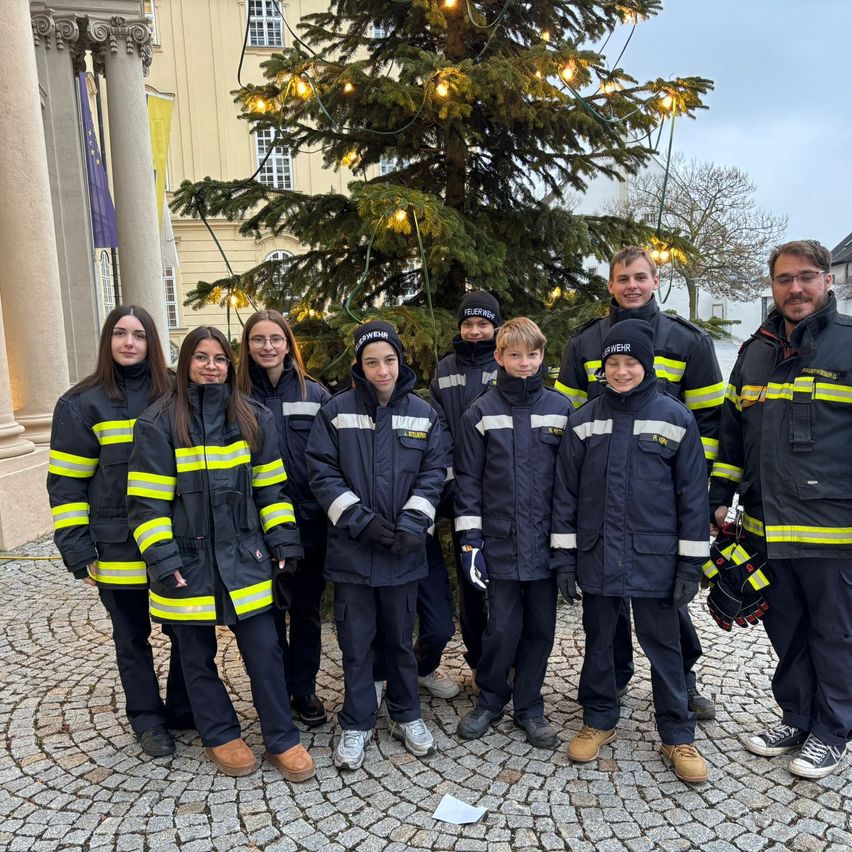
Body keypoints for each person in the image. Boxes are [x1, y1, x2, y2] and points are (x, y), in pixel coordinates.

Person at [126, 326, 315, 782]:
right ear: (186, 362)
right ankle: (220, 734)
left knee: (265, 651)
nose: (211, 366)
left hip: (244, 557)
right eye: (202, 357)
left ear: (231, 366)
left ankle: (281, 738)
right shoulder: (157, 424)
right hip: (186, 563)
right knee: (195, 656)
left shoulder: (251, 418)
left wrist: (283, 540)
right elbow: (146, 504)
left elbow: (271, 489)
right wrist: (164, 560)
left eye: (220, 359)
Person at [555, 246, 722, 720]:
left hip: (661, 501)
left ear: (655, 281)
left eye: (641, 277)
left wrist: (694, 495)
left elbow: (709, 422)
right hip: (603, 498)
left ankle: (681, 683)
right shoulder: (584, 344)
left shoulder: (688, 341)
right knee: (606, 610)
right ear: (610, 284)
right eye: (622, 277)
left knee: (667, 601)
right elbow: (566, 419)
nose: (632, 285)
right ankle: (616, 681)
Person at [710, 239, 852, 779]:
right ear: (772, 286)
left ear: (828, 280)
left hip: (835, 530)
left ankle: (832, 731)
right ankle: (797, 716)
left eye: (807, 277)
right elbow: (731, 439)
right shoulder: (755, 353)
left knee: (835, 632)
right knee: (786, 628)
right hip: (769, 527)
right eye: (785, 279)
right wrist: (719, 500)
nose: (796, 288)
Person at [552, 319, 710, 783]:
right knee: (599, 642)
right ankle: (598, 719)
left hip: (655, 558)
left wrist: (690, 564)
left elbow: (693, 497)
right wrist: (564, 557)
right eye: (613, 364)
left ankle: (677, 735)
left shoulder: (675, 417)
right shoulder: (583, 421)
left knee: (664, 647)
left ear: (646, 365)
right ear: (602, 369)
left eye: (630, 363)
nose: (621, 372)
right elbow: (565, 495)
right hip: (598, 554)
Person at [47, 305, 192, 758]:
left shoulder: (175, 392)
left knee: (185, 628)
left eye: (139, 335)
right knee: (130, 635)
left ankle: (185, 709)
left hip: (173, 537)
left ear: (151, 341)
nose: (129, 342)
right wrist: (77, 547)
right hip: (115, 544)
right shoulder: (80, 403)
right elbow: (66, 482)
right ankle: (148, 720)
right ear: (108, 341)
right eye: (120, 333)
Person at [306, 320, 445, 770]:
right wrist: (359, 522)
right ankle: (357, 721)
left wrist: (413, 523)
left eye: (388, 360)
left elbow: (433, 473)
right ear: (359, 366)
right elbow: (321, 472)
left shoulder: (423, 414)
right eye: (372, 362)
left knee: (402, 642)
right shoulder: (336, 411)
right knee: (356, 644)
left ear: (400, 361)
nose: (382, 370)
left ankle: (407, 714)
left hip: (403, 554)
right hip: (353, 554)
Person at [454, 317, 571, 749]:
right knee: (501, 627)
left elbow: (572, 483)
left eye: (533, 354)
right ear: (499, 357)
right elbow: (468, 480)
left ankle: (529, 705)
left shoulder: (561, 409)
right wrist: (470, 541)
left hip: (544, 544)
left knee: (541, 628)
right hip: (500, 542)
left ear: (543, 357)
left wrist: (568, 545)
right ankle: (490, 697)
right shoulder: (481, 413)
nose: (524, 363)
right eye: (515, 355)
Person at [237, 310, 330, 727]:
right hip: (255, 525)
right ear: (247, 346)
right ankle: (274, 691)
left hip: (309, 522)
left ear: (288, 344)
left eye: (276, 338)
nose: (268, 347)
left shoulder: (315, 395)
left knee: (306, 611)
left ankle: (303, 689)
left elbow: (332, 458)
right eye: (259, 339)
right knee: (268, 614)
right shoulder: (234, 395)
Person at [427, 291, 501, 681]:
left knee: (503, 583)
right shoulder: (445, 369)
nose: (475, 331)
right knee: (472, 585)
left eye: (483, 324)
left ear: (495, 327)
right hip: (461, 497)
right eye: (468, 324)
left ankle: (506, 662)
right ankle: (477, 659)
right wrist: (456, 483)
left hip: (502, 496)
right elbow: (439, 430)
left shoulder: (505, 364)